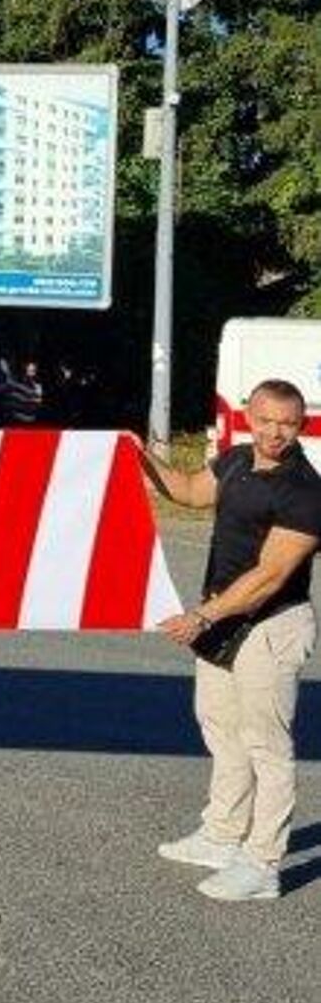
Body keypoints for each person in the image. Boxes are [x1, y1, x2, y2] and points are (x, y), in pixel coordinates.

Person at [138, 380, 321, 902]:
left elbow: (271, 574)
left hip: (270, 625)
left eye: (287, 423)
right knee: (221, 728)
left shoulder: (305, 491)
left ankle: (263, 863)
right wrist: (138, 457)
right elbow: (190, 492)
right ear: (248, 416)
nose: (275, 432)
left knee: (268, 746)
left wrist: (201, 615)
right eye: (265, 420)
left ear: (301, 424)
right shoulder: (238, 460)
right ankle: (222, 834)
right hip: (221, 618)